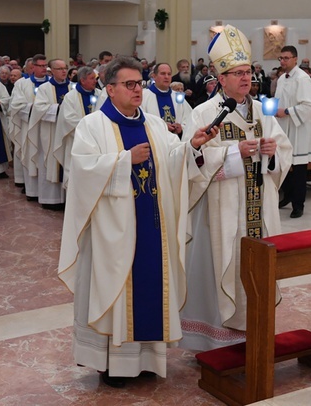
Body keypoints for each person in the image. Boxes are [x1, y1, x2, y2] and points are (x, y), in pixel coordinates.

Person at [57, 56, 218, 388]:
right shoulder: (93, 126)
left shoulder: (154, 124)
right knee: (118, 291)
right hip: (113, 232)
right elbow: (82, 173)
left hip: (152, 229)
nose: (137, 90)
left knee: (151, 288)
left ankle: (146, 359)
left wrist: (192, 147)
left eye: (139, 84)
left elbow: (172, 162)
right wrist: (122, 160)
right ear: (110, 89)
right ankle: (113, 365)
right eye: (129, 85)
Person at [179, 24, 292, 351]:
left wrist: (272, 154)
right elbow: (191, 158)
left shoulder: (261, 111)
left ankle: (253, 335)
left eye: (249, 72)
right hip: (223, 207)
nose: (246, 78)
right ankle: (217, 343)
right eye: (237, 73)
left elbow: (282, 151)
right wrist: (232, 153)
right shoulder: (204, 112)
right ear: (221, 78)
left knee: (257, 265)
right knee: (223, 264)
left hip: (258, 207)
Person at [275, 45, 311, 218]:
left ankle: (298, 204)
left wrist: (286, 112)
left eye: (286, 58)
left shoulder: (303, 79)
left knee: (299, 168)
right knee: (283, 163)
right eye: (281, 58)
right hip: (284, 127)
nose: (283, 61)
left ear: (295, 59)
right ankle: (288, 196)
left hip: (299, 129)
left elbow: (309, 106)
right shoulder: (281, 79)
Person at [27, 59, 70, 209]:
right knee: (51, 161)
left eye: (65, 68)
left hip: (68, 132)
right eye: (59, 69)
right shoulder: (45, 88)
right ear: (51, 71)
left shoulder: (72, 87)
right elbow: (39, 109)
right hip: (51, 131)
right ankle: (51, 199)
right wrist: (61, 109)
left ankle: (67, 198)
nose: (64, 71)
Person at [9, 54, 50, 199]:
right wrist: (39, 109)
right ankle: (32, 190)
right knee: (31, 155)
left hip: (48, 128)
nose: (45, 68)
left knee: (46, 158)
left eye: (46, 65)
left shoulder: (52, 84)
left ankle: (47, 193)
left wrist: (44, 110)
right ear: (33, 67)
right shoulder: (22, 84)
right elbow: (17, 106)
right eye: (41, 66)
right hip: (29, 127)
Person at [52, 66, 100, 186]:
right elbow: (68, 119)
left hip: (98, 140)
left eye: (95, 78)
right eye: (92, 78)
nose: (95, 81)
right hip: (76, 140)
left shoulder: (101, 94)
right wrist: (90, 127)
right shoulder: (70, 97)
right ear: (82, 80)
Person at [141, 63, 192, 138]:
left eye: (169, 74)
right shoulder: (144, 96)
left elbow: (189, 118)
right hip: (155, 141)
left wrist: (181, 128)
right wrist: (162, 127)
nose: (166, 77)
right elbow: (141, 121)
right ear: (154, 76)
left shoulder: (178, 96)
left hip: (176, 142)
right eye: (163, 74)